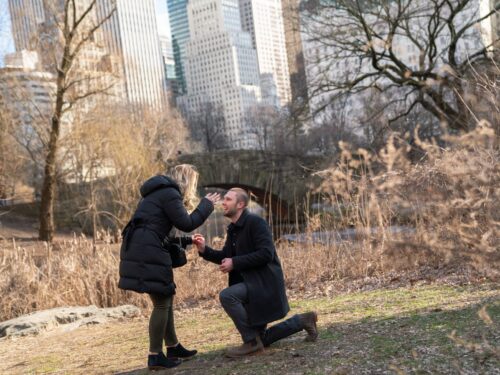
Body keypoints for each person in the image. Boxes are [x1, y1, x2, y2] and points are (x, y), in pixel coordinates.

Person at [193, 188, 318, 358]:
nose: (223, 202)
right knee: (262, 338)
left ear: (241, 204)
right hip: (251, 285)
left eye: (228, 199)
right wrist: (204, 250)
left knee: (228, 296)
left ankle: (251, 343)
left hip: (263, 284)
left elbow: (266, 253)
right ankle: (302, 320)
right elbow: (226, 257)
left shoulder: (256, 223)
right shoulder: (234, 229)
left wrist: (235, 262)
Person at [118, 165, 220, 370]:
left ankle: (172, 346)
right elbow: (188, 222)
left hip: (141, 248)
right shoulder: (170, 193)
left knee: (165, 297)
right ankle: (155, 356)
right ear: (187, 181)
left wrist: (188, 241)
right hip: (148, 251)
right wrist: (206, 205)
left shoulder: (157, 194)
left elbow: (161, 231)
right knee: (162, 303)